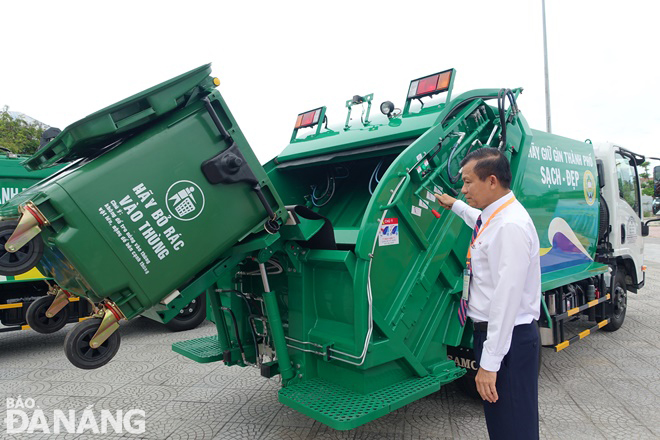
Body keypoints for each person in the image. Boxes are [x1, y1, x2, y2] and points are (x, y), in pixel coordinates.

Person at [435, 148, 541, 440]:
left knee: (513, 427)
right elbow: (477, 220)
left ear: (491, 181)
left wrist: (489, 365)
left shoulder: (510, 226)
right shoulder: (495, 216)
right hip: (500, 339)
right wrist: (454, 204)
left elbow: (506, 301)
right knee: (503, 423)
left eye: (468, 182)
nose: (464, 188)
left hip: (509, 343)